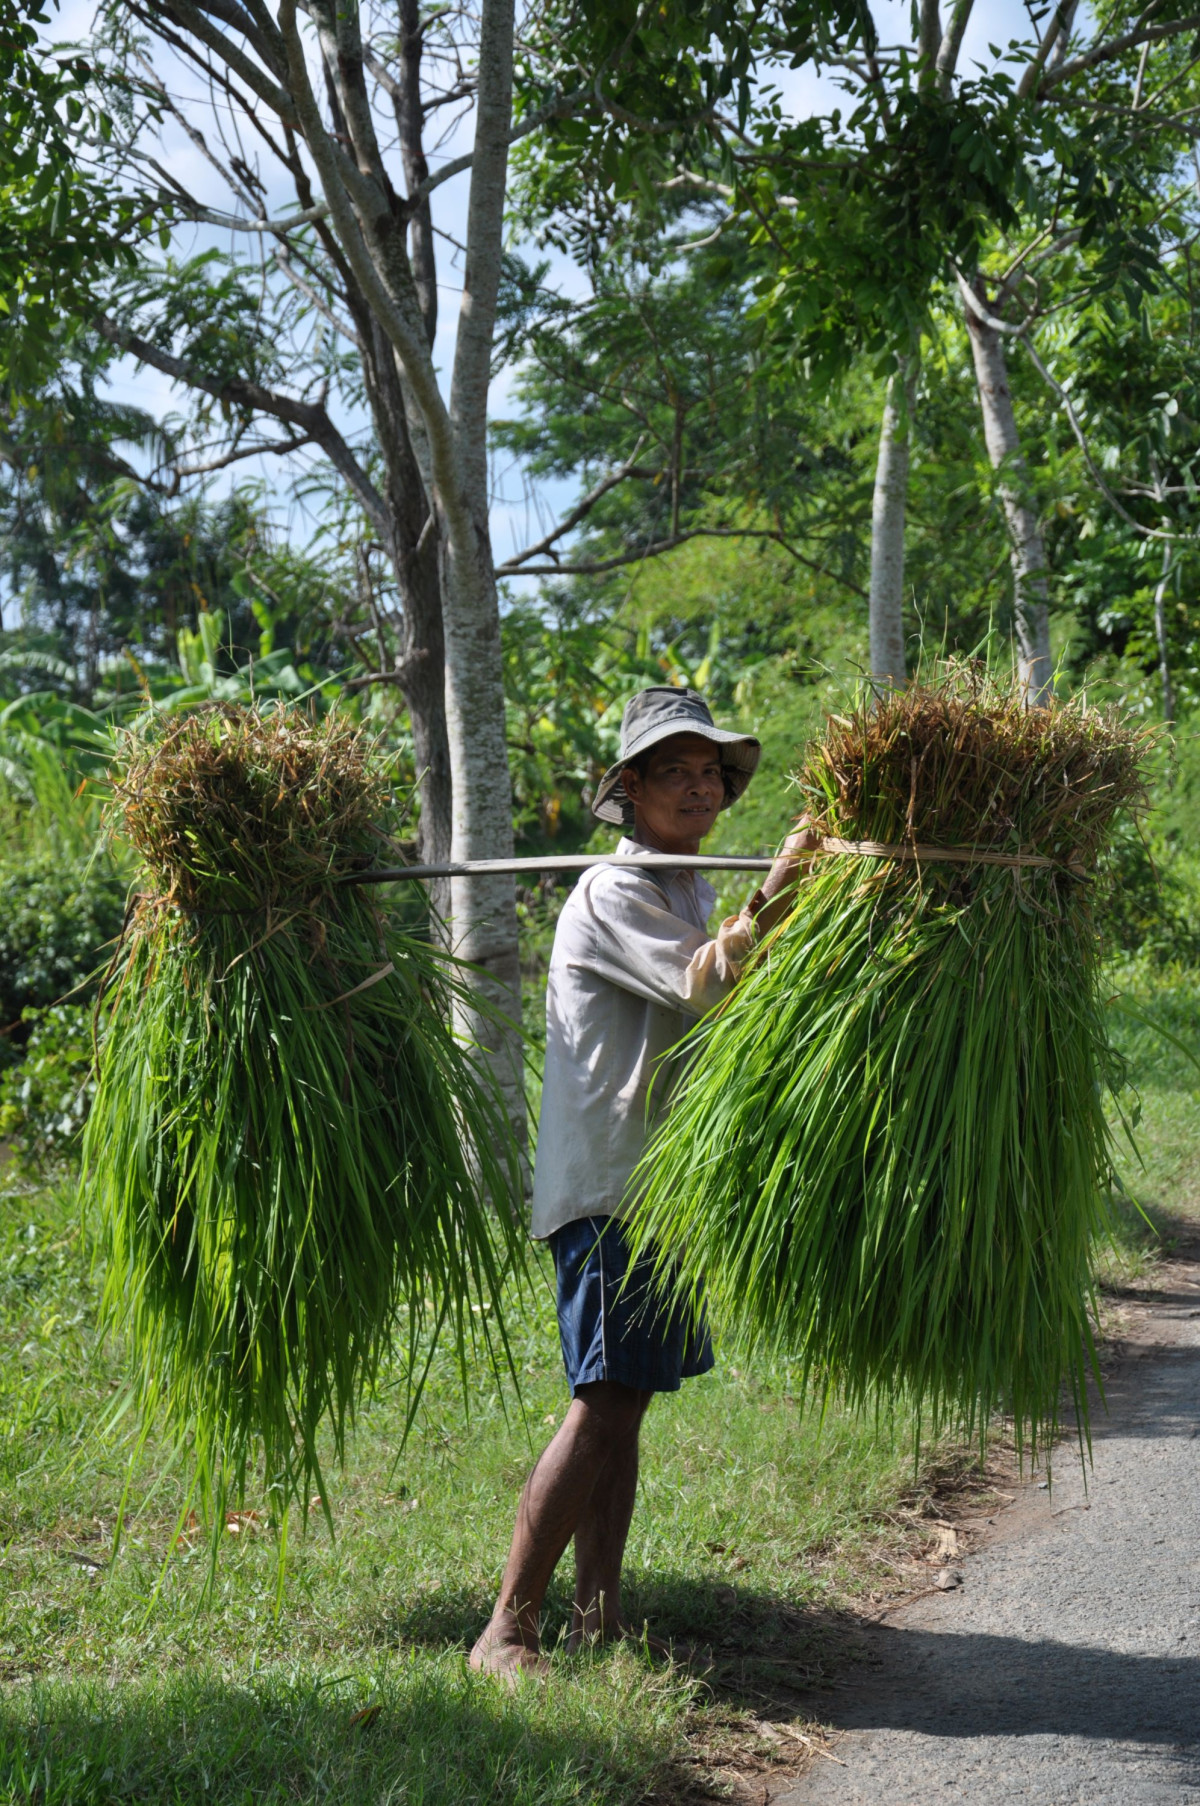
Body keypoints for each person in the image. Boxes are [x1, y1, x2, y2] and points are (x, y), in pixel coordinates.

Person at [469, 686, 812, 1680]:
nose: (700, 784)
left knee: (625, 1406)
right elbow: (707, 981)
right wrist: (778, 899)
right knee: (601, 1403)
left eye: (711, 770)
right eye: (675, 770)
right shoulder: (615, 893)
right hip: (614, 1189)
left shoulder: (689, 890)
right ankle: (506, 1630)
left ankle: (599, 1622)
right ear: (628, 789)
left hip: (663, 1192)